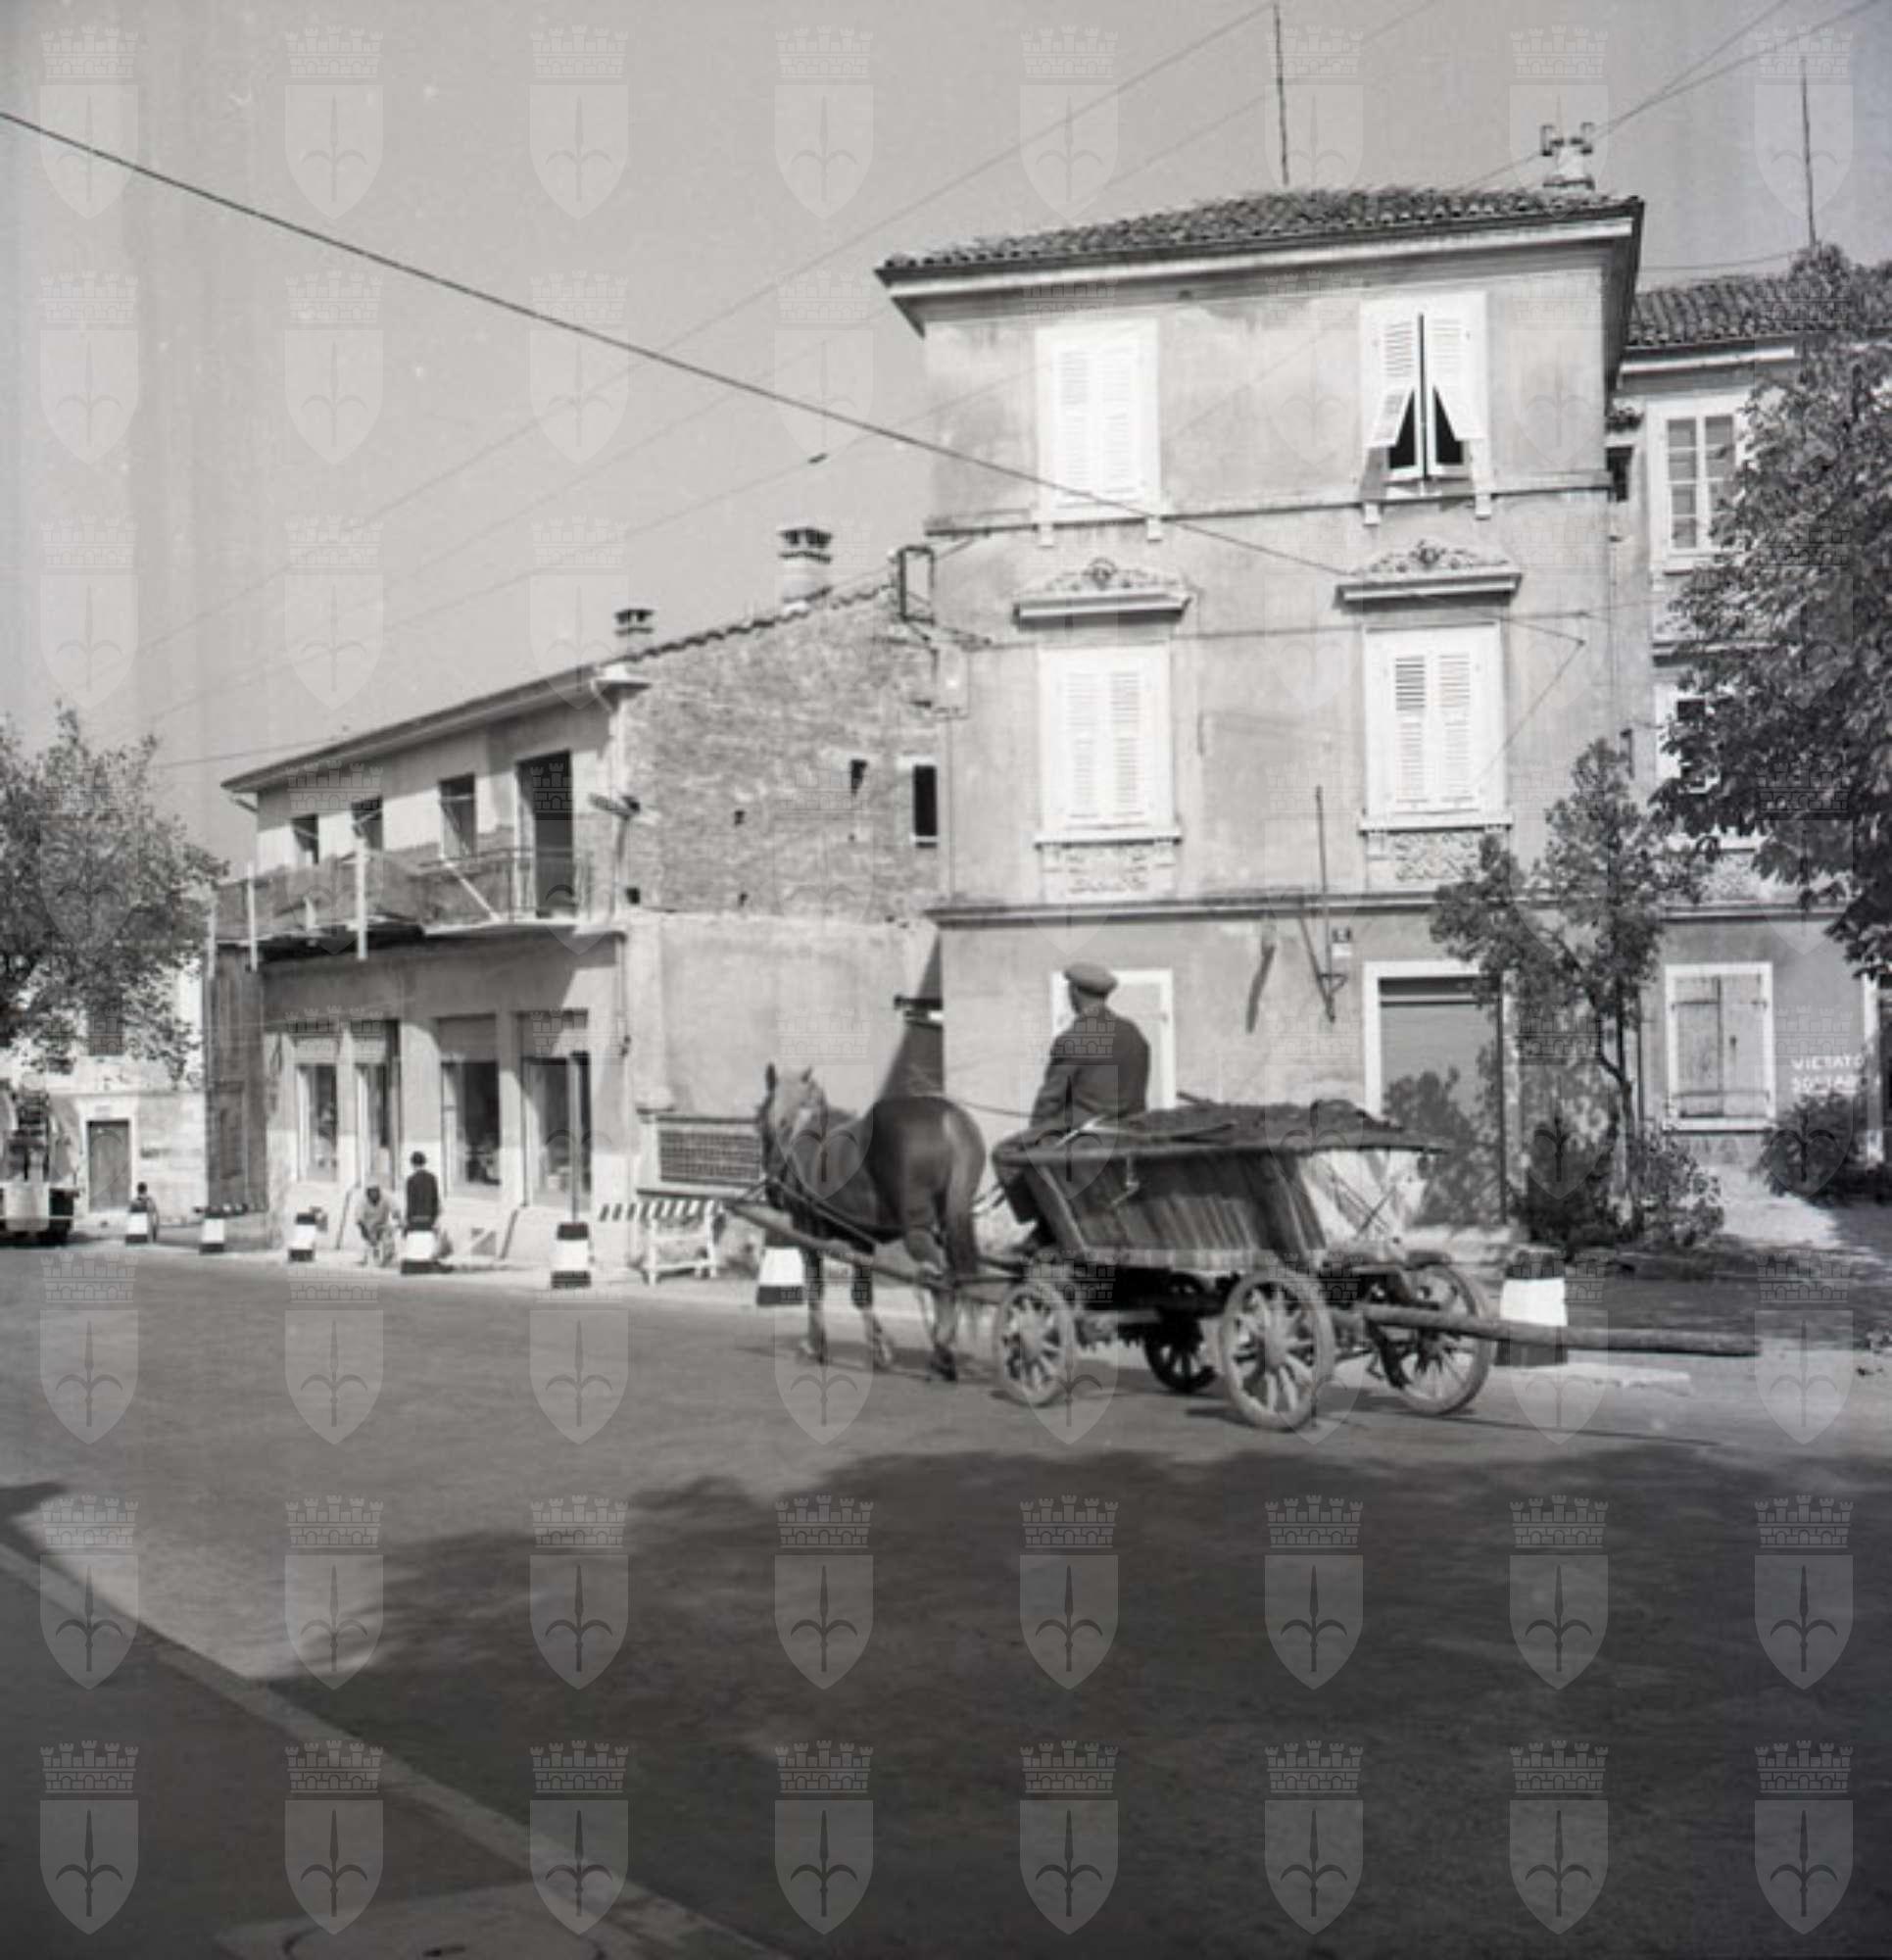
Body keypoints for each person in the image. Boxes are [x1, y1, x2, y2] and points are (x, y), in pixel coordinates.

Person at [356, 1185, 395, 1267]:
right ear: (367, 1193)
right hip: (368, 1227)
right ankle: (370, 1257)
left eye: (376, 1192)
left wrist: (399, 1219)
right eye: (371, 1192)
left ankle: (388, 1255)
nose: (374, 1194)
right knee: (371, 1245)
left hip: (382, 1225)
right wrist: (366, 1234)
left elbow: (395, 1210)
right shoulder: (362, 1202)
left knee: (388, 1235)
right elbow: (359, 1220)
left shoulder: (386, 1198)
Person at [404, 1152, 440, 1232]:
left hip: (415, 1219)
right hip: (429, 1218)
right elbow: (435, 1199)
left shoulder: (411, 1180)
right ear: (424, 1163)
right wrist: (435, 1218)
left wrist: (407, 1220)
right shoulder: (432, 1178)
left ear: (413, 1164)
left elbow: (410, 1202)